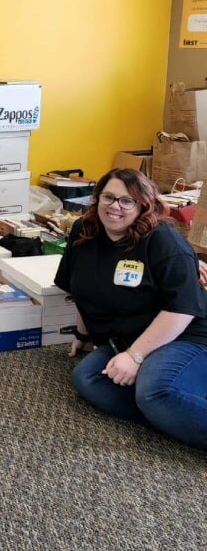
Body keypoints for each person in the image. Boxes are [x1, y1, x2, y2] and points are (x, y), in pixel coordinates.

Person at [54, 168, 207, 449]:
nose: (115, 207)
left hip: (187, 335)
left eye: (127, 201)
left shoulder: (164, 241)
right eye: (108, 197)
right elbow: (82, 290)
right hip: (130, 335)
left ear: (144, 205)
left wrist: (135, 357)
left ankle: (167, 401)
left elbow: (182, 310)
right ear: (97, 198)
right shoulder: (83, 232)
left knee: (154, 390)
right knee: (88, 379)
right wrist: (84, 333)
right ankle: (171, 414)